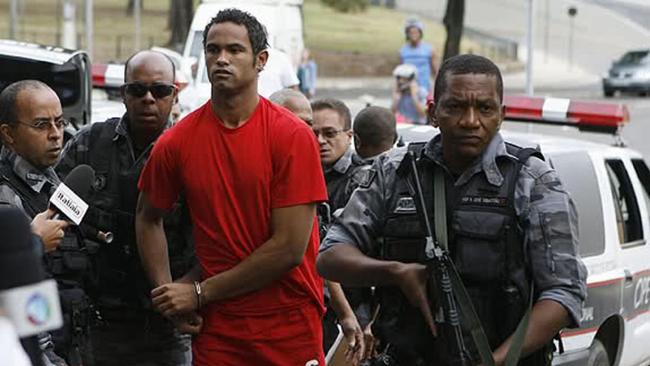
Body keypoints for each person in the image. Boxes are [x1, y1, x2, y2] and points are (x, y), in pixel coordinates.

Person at [317, 54, 588, 365]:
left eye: (484, 108)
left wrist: (496, 360)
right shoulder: (395, 172)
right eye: (455, 107)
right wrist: (395, 272)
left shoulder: (533, 182)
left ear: (501, 114)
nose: (470, 120)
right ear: (433, 112)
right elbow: (330, 257)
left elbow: (564, 293)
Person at [135, 9, 327, 366]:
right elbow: (148, 217)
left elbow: (288, 248)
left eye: (235, 50)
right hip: (217, 331)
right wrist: (168, 296)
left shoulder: (292, 136)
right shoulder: (177, 142)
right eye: (212, 49)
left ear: (261, 60)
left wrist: (198, 292)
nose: (221, 59)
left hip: (288, 326)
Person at [57, 50, 194, 366]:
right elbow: (59, 219)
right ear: (123, 94)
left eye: (159, 91)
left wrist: (189, 293)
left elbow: (212, 238)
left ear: (175, 95)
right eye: (137, 89)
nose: (148, 98)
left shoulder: (192, 151)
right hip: (101, 323)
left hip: (166, 326)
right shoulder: (90, 144)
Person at [0, 80, 91, 366]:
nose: (56, 135)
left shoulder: (56, 180)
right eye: (41, 125)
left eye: (60, 122)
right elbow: (21, 297)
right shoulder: (7, 201)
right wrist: (34, 243)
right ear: (9, 134)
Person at [399, 18, 437, 94]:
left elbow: (435, 71)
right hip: (408, 89)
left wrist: (434, 88)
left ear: (420, 33)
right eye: (411, 33)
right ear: (407, 34)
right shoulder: (403, 51)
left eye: (416, 32)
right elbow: (401, 72)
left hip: (425, 88)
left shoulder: (429, 49)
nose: (413, 35)